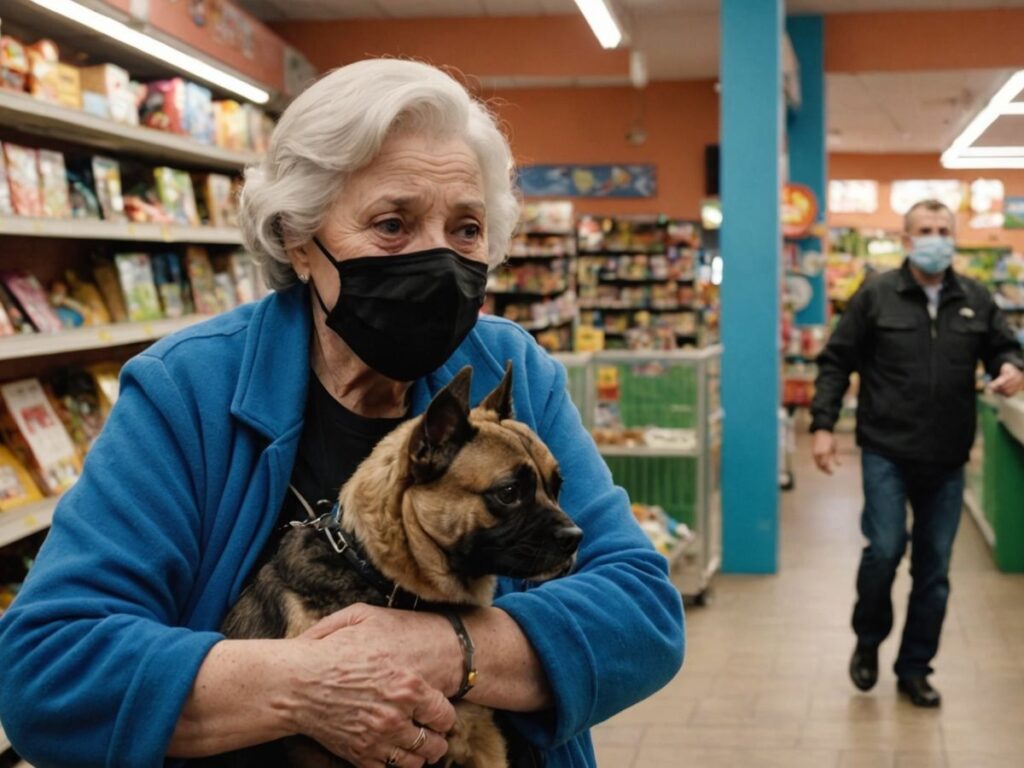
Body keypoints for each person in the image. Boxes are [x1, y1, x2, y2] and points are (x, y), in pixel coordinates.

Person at [0, 60, 684, 767]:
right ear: (300, 239)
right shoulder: (188, 391)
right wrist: (304, 686)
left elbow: (641, 612)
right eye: (392, 224)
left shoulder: (513, 374)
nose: (437, 259)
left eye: (467, 228)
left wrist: (453, 651)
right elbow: (49, 668)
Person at [810, 199, 1024, 708]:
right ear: (906, 239)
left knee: (934, 570)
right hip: (886, 447)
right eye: (925, 229)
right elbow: (837, 360)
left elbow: (1004, 347)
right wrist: (822, 426)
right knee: (884, 550)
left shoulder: (975, 296)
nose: (936, 238)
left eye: (943, 229)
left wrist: (1013, 366)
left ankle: (915, 668)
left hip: (948, 455)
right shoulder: (877, 295)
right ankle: (868, 639)